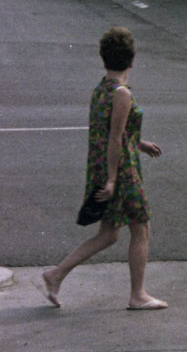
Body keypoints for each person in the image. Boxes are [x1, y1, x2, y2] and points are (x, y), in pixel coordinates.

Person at [42, 26, 167, 310]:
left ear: (104, 59)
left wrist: (140, 143)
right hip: (121, 171)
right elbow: (113, 137)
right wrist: (112, 179)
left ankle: (55, 275)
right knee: (141, 228)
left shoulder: (101, 89)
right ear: (132, 61)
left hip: (105, 166)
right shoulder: (122, 93)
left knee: (109, 234)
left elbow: (113, 132)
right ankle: (138, 295)